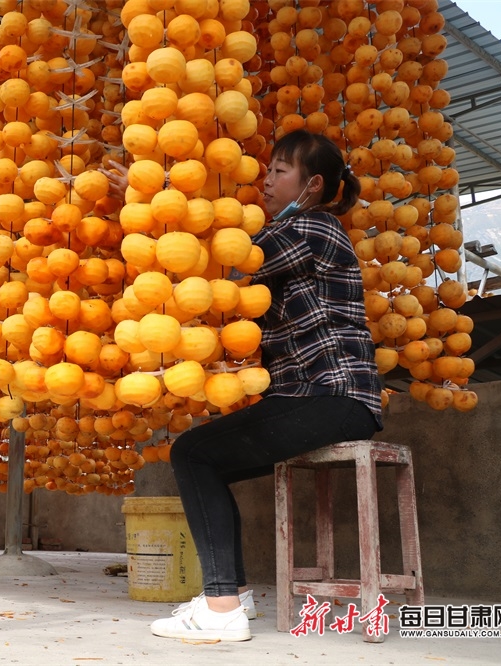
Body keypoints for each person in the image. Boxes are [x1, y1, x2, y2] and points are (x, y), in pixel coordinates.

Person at [143, 130, 384, 642]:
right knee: (205, 456)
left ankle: (222, 605)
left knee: (193, 453)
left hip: (332, 396)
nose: (265, 180)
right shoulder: (289, 233)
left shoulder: (312, 227)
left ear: (312, 185)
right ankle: (232, 597)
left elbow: (224, 262)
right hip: (316, 399)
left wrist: (153, 195)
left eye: (278, 171)